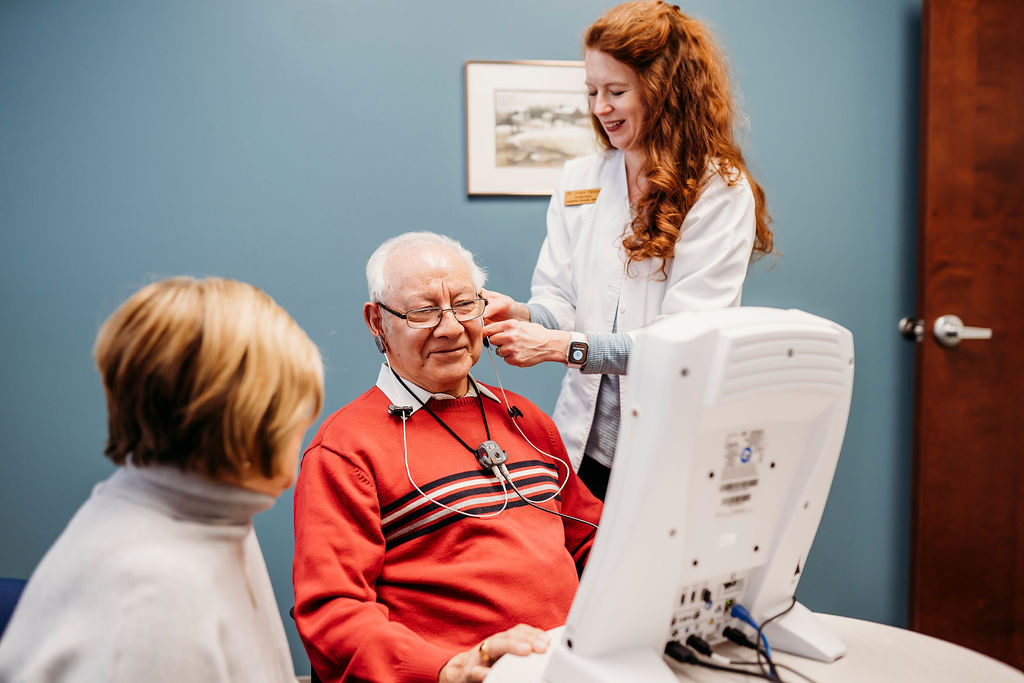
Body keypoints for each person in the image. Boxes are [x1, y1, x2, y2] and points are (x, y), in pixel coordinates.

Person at [481, 0, 775, 500]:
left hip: (669, 442)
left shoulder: (718, 190)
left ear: (664, 92)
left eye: (616, 91)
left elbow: (682, 342)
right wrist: (525, 314)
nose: (599, 108)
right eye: (592, 91)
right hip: (586, 446)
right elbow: (560, 302)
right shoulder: (580, 180)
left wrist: (559, 347)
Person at [292, 232, 603, 683]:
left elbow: (590, 542)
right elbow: (333, 615)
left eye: (464, 305)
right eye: (424, 311)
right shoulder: (346, 449)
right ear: (377, 322)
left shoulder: (525, 419)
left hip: (568, 665)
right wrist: (450, 668)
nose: (452, 327)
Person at [0, 277, 323, 682]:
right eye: (296, 417)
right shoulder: (154, 601)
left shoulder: (216, 514)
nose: (303, 435)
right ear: (244, 422)